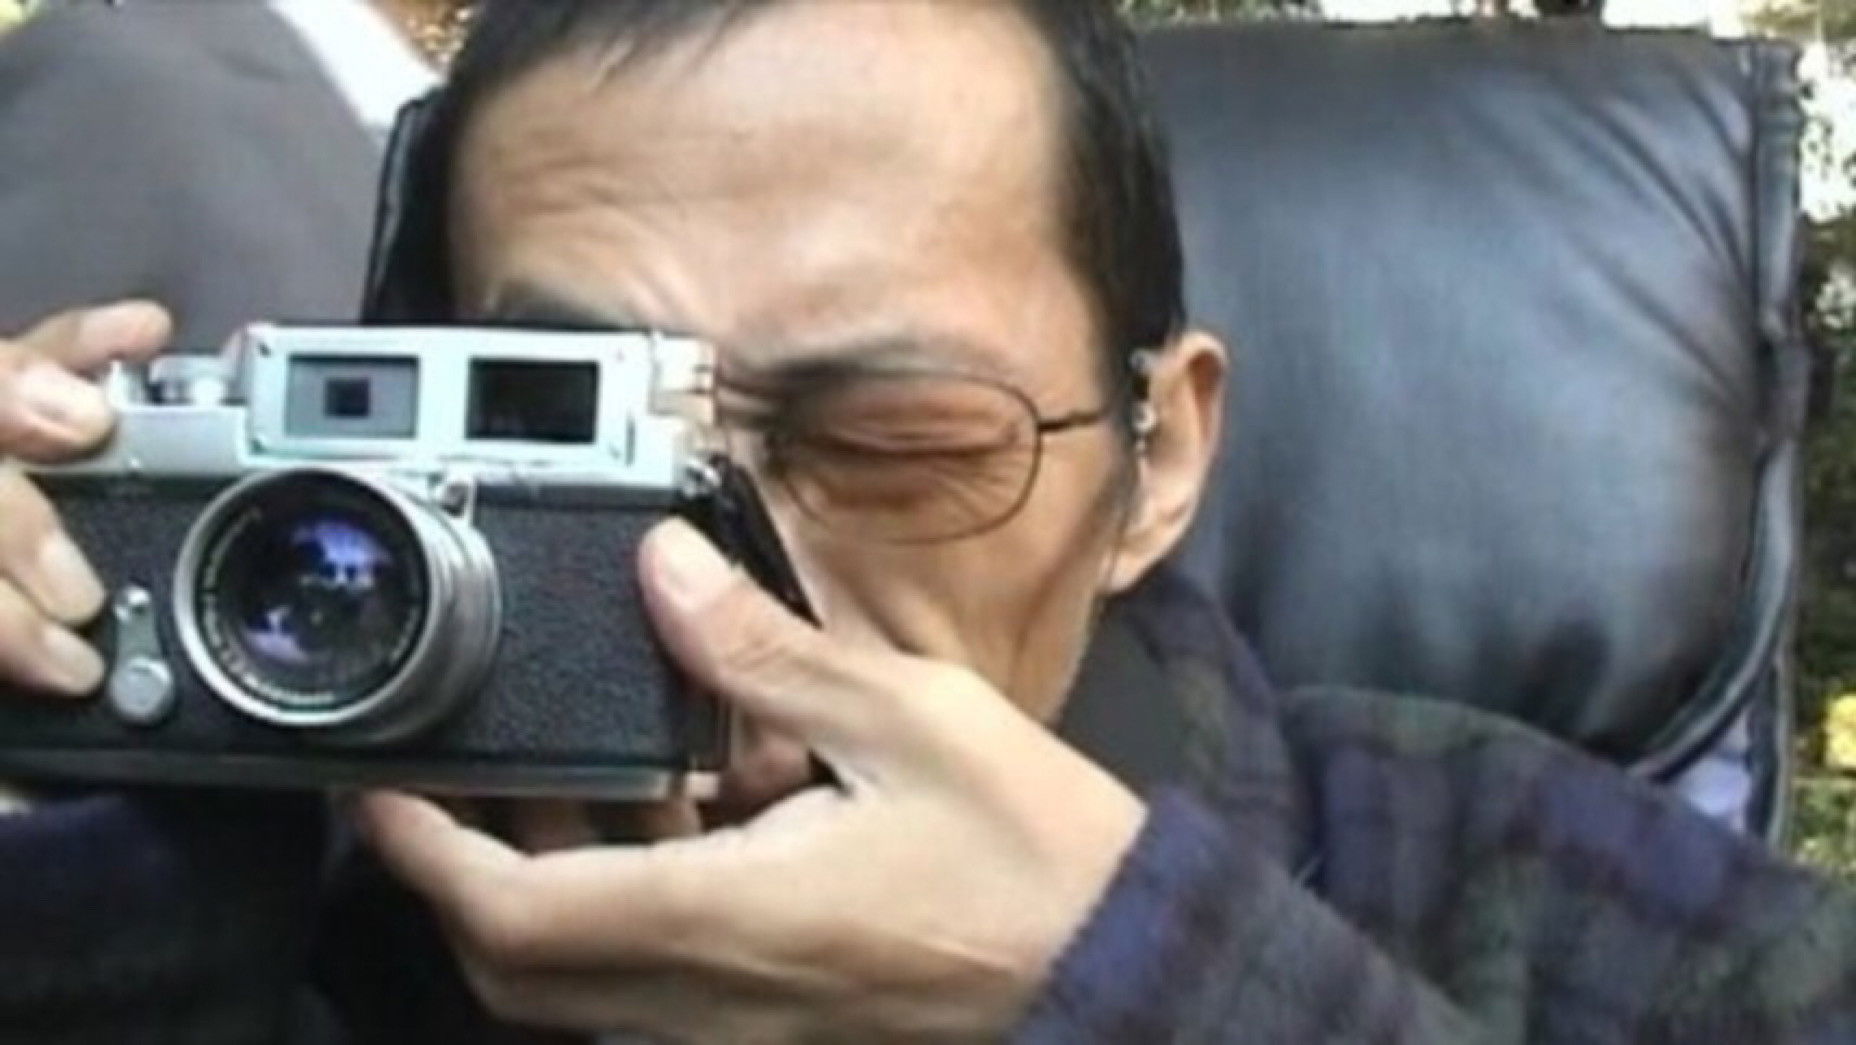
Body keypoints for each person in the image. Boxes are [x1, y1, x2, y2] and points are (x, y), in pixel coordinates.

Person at [2, 0, 1855, 1041]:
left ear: (1161, 457)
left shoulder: (1518, 883)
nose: (721, 578)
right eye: (567, 434)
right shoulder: (278, 882)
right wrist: (70, 842)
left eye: (892, 444)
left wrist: (1147, 992)